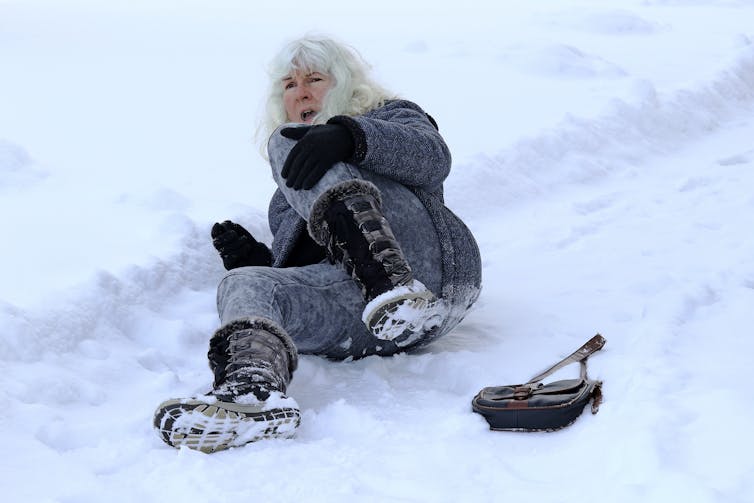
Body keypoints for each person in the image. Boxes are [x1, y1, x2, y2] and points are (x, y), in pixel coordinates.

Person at [153, 35, 482, 453]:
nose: (301, 91)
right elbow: (324, 263)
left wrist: (348, 136)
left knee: (286, 140)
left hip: (433, 278)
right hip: (369, 322)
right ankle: (251, 394)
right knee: (243, 284)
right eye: (289, 85)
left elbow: (435, 158)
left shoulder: (391, 117)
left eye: (314, 78)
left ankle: (393, 284)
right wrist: (262, 261)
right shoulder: (285, 197)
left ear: (343, 83)